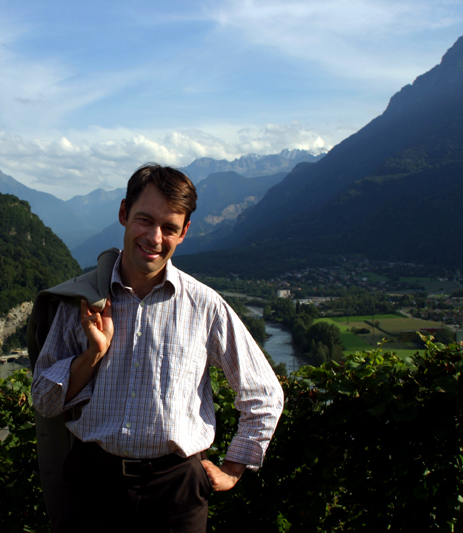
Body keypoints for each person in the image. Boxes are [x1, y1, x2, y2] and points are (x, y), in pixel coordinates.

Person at [31, 163, 284, 532]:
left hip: (176, 493)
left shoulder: (205, 306)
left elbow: (264, 393)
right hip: (93, 487)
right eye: (144, 220)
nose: (154, 238)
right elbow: (44, 399)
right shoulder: (83, 301)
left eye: (169, 227)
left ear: (184, 232)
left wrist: (234, 467)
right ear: (123, 213)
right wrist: (92, 355)